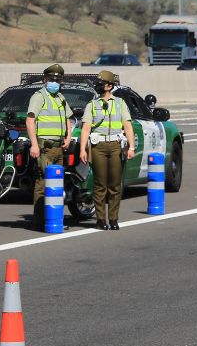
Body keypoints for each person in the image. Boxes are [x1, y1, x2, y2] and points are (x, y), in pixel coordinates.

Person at [78, 71, 136, 231]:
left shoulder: (120, 103)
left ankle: (113, 218)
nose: (98, 85)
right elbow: (86, 128)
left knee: (115, 184)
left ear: (109, 86)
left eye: (101, 83)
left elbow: (128, 125)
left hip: (116, 145)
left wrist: (131, 147)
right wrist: (83, 149)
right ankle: (101, 219)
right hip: (98, 147)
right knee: (100, 183)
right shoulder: (92, 105)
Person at [26, 64, 73, 230]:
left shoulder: (60, 97)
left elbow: (68, 118)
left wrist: (68, 137)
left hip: (58, 148)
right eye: (51, 79)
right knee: (42, 183)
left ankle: (54, 219)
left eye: (57, 79)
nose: (54, 82)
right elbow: (30, 120)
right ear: (45, 79)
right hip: (44, 147)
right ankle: (39, 221)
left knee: (56, 184)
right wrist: (34, 145)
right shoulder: (39, 96)